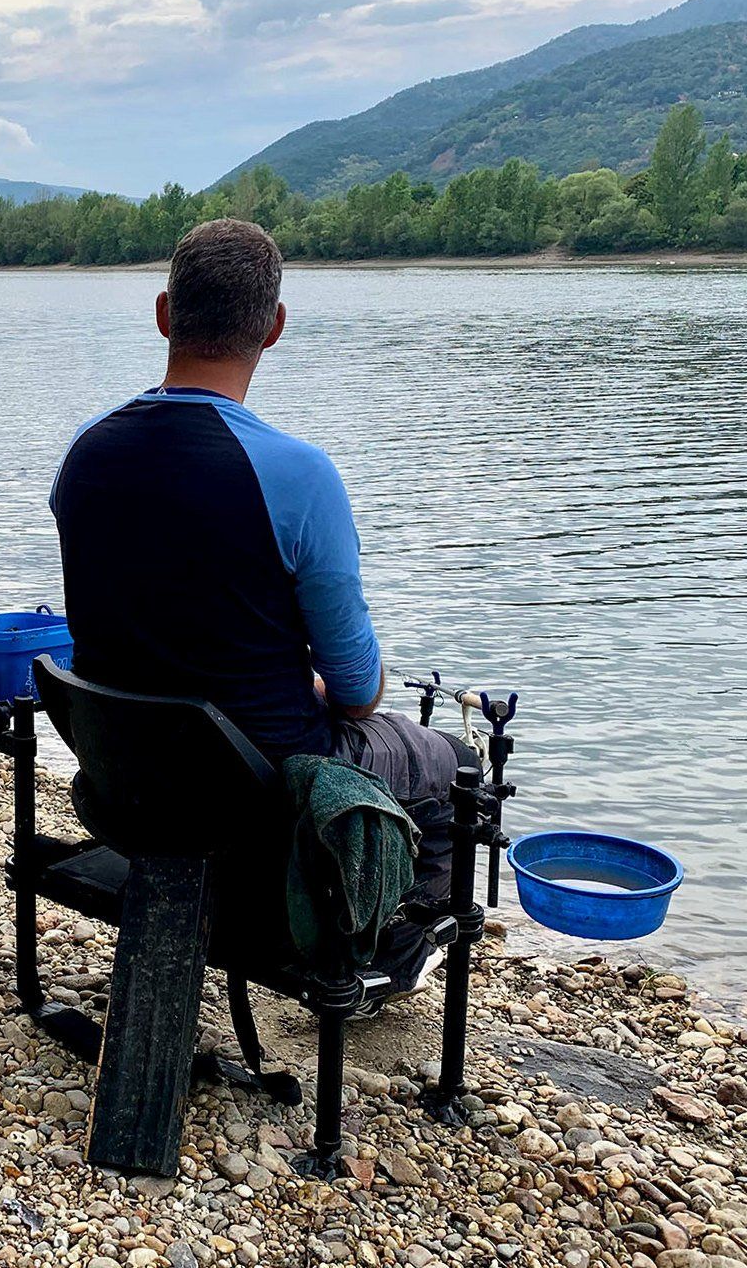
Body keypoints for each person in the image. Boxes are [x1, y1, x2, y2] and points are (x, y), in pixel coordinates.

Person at [49, 217, 475, 989]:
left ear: (164, 315)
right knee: (453, 760)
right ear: (274, 328)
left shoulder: (86, 452)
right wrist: (319, 689)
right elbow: (355, 692)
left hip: (126, 779)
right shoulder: (298, 474)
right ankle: (386, 946)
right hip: (256, 793)